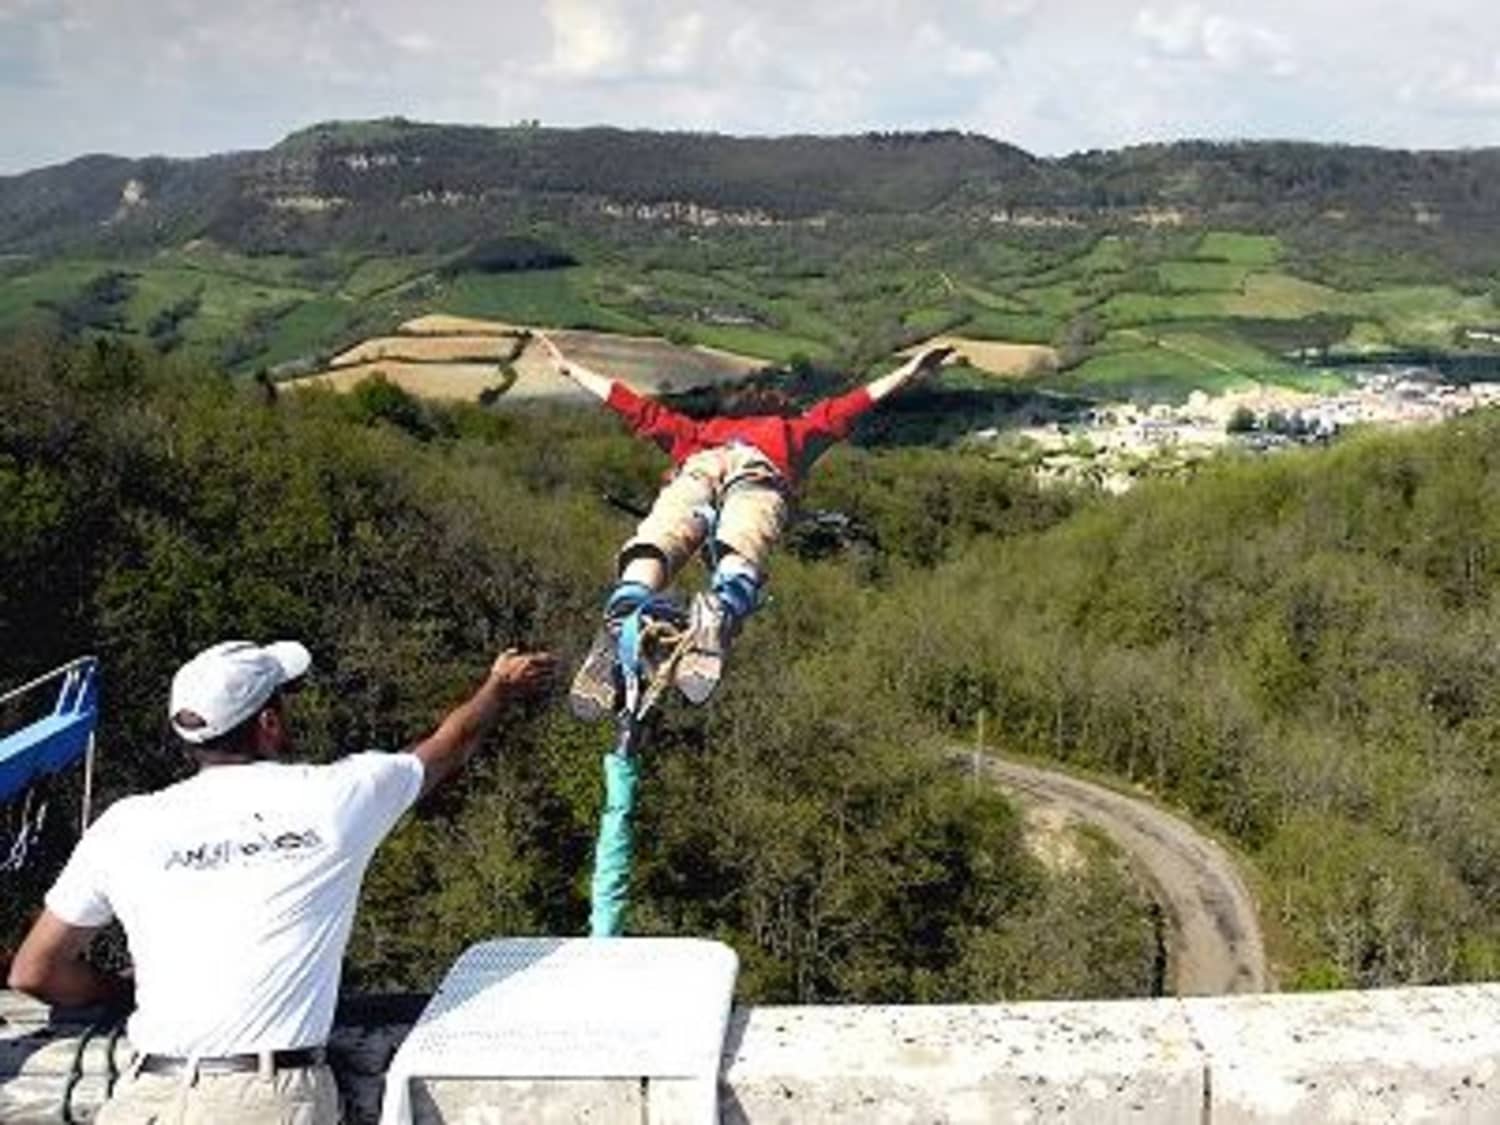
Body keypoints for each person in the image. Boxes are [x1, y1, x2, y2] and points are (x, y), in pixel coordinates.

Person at [7, 638, 555, 1125]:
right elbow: (449, 744)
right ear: (268, 724)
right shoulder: (336, 799)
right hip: (264, 1098)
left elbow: (36, 971)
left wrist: (122, 994)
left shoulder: (126, 824)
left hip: (145, 1094)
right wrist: (498, 687)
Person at [533, 334, 952, 713]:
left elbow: (632, 406)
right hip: (760, 470)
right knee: (743, 536)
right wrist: (908, 372)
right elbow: (853, 404)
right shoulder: (794, 430)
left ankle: (625, 605)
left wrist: (570, 368)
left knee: (660, 534)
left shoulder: (696, 431)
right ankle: (722, 605)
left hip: (698, 465)